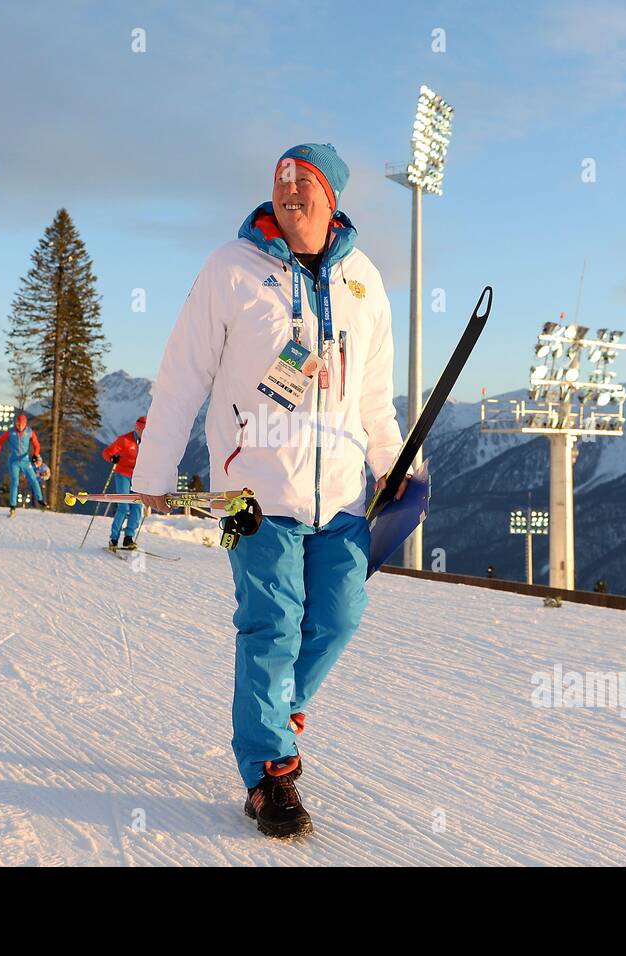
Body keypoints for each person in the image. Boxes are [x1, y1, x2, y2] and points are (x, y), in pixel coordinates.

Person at [132, 143, 407, 838]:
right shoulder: (230, 269)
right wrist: (154, 473)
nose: (288, 192)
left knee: (339, 616)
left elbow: (376, 400)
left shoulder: (366, 283)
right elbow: (182, 374)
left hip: (341, 494)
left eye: (303, 183)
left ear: (333, 199)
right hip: (246, 494)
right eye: (280, 182)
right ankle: (268, 775)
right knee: (270, 626)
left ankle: (276, 710)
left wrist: (402, 467)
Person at [102, 415, 146, 550]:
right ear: (136, 428)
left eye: (145, 431)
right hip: (123, 475)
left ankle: (128, 538)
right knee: (123, 506)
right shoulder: (125, 440)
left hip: (139, 477)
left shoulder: (150, 443)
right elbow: (106, 452)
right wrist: (112, 457)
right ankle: (114, 539)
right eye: (141, 430)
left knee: (138, 506)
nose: (143, 433)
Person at [0, 411, 47, 516]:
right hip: (14, 461)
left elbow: (36, 445)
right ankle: (13, 506)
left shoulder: (29, 432)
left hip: (25, 460)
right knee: (15, 482)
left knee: (33, 479)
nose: (19, 427)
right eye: (17, 424)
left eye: (21, 425)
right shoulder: (10, 432)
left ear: (25, 424)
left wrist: (35, 455)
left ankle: (40, 499)